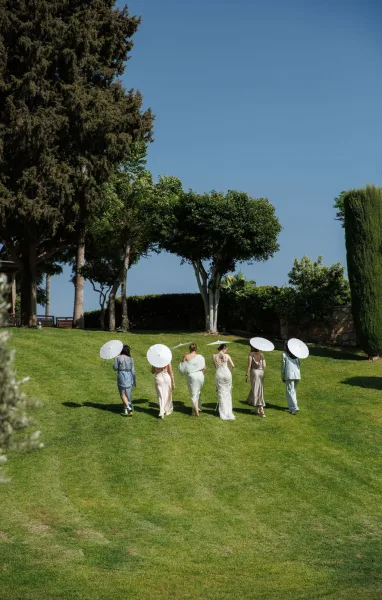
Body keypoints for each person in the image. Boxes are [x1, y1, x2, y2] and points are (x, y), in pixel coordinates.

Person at [178, 343, 206, 417]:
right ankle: (197, 408)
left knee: (194, 393)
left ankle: (196, 412)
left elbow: (182, 369)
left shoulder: (186, 356)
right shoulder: (201, 357)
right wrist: (201, 375)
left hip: (192, 376)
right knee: (198, 392)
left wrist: (182, 362)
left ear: (189, 349)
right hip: (200, 375)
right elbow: (204, 368)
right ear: (196, 349)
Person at [213, 344, 235, 421]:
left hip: (220, 374)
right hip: (227, 374)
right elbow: (233, 365)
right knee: (228, 392)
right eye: (226, 349)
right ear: (224, 349)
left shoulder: (214, 356)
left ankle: (223, 412)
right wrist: (230, 371)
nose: (226, 351)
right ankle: (228, 412)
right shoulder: (227, 356)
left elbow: (215, 367)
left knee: (221, 393)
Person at [113, 345, 136, 416]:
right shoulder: (131, 359)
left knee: (122, 394)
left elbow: (115, 368)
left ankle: (128, 408)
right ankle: (127, 408)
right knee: (128, 394)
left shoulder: (118, 358)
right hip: (129, 376)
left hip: (121, 376)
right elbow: (133, 371)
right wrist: (134, 380)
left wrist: (114, 361)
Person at [246, 345, 266, 418]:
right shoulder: (262, 354)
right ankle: (256, 409)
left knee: (256, 390)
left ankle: (261, 410)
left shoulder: (251, 354)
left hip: (255, 373)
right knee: (259, 389)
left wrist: (246, 374)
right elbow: (264, 365)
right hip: (261, 372)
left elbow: (249, 366)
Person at [281, 342, 301, 414]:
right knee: (293, 391)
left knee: (290, 391)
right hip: (297, 375)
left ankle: (294, 408)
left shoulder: (284, 354)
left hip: (289, 375)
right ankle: (294, 406)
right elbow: (299, 365)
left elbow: (283, 367)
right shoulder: (296, 354)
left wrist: (283, 377)